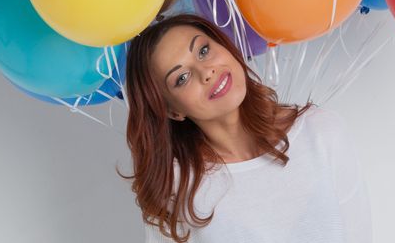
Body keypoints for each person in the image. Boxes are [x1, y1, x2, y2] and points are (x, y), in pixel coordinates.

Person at [118, 14, 372, 243]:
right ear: (173, 111)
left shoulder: (320, 131)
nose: (206, 72)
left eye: (204, 50)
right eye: (181, 78)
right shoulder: (176, 186)